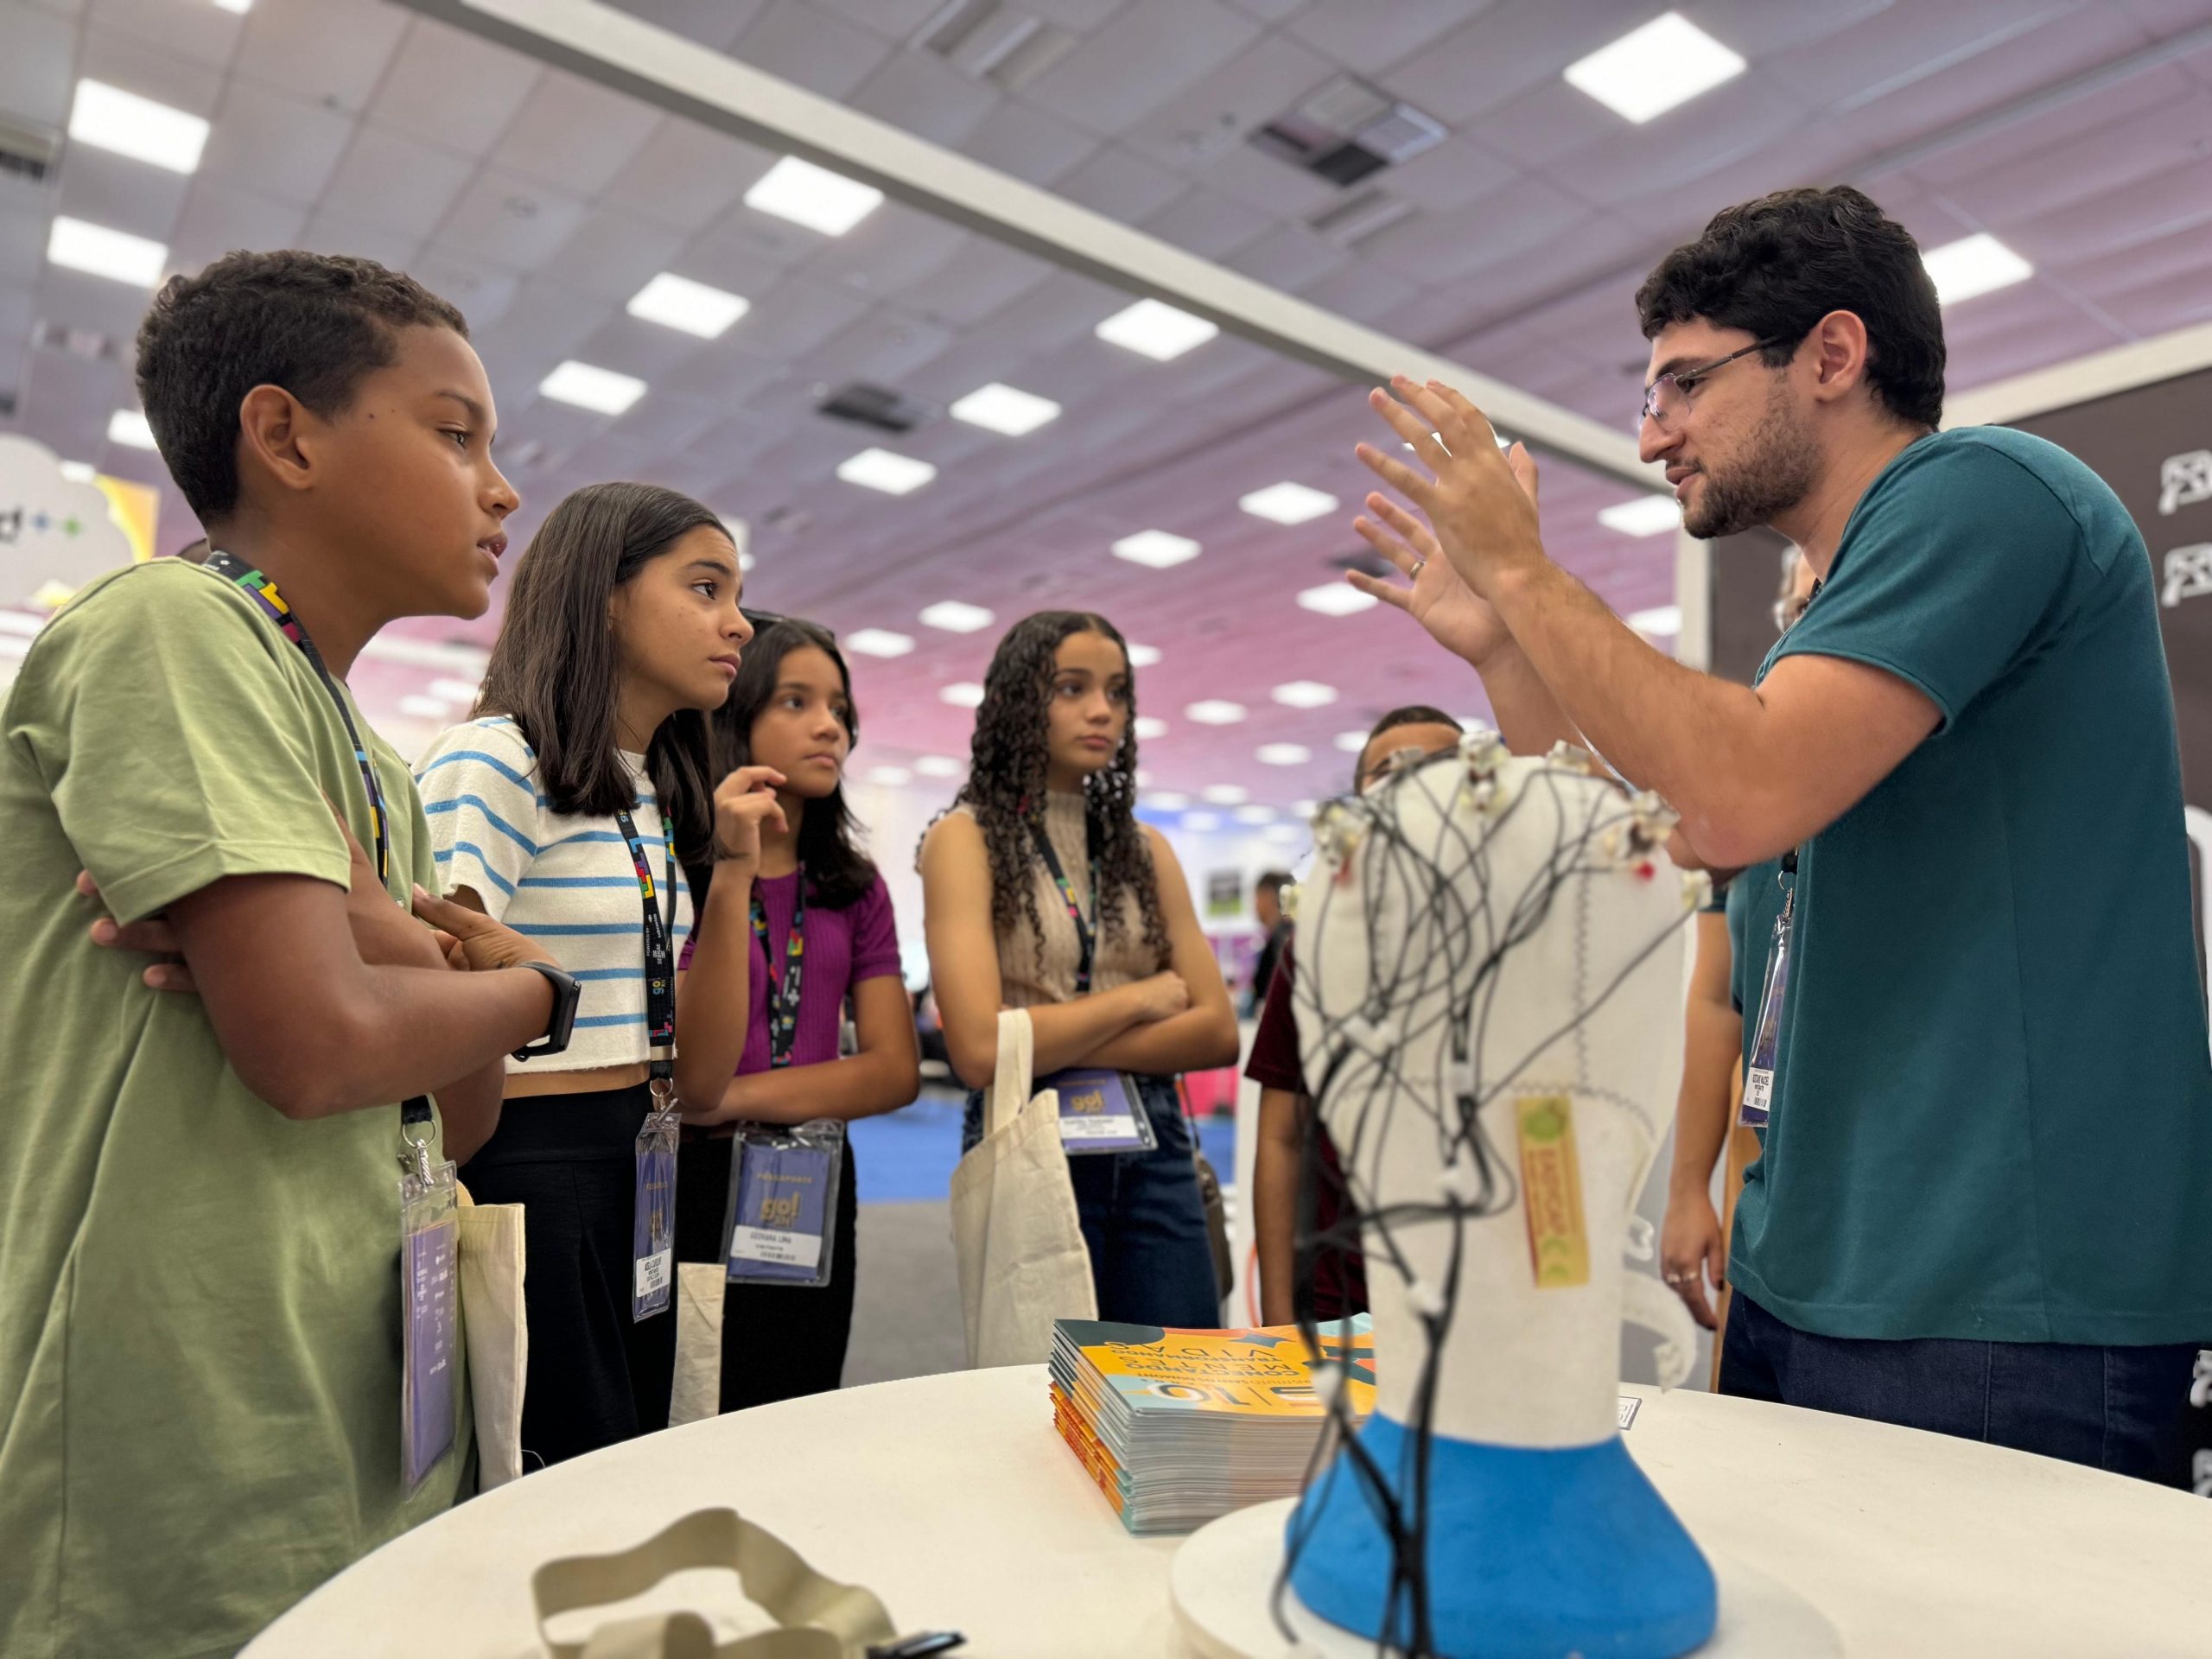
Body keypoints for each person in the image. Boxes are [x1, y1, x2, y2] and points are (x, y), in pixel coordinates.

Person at [1350, 184, 2212, 1481]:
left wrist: (1526, 571)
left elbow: (1732, 797)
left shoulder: (1984, 492)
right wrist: (1503, 649)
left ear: (1831, 355)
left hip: (2001, 1303)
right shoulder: (1817, 632)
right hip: (1813, 1272)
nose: (1657, 439)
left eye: (1684, 386)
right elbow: (1644, 857)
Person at [0, 251, 575, 1658]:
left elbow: (458, 1111)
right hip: (181, 1438)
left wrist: (404, 961)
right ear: (286, 434)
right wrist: (526, 986)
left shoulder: (374, 754)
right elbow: (317, 1048)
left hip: (355, 1398)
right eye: (456, 434)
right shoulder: (169, 630)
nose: (500, 488)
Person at [415, 481, 748, 1467]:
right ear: (602, 594)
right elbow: (436, 971)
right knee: (564, 1471)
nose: (734, 624)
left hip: (638, 1156)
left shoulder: (644, 791)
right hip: (530, 1157)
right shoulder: (495, 762)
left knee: (638, 1454)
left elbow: (696, 1060)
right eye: (703, 587)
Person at [920, 610, 1238, 1327]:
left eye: (1118, 692)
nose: (1103, 710)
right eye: (1072, 688)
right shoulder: (963, 840)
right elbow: (975, 1051)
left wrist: (1039, 1035)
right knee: (1039, 1393)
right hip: (1025, 1131)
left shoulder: (1145, 848)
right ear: (1016, 703)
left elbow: (1217, 1033)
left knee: (1180, 1382)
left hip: (1153, 1140)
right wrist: (1145, 998)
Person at [671, 618, 921, 1410]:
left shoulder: (854, 886)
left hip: (808, 1173)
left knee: (802, 1403)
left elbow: (892, 1070)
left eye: (840, 708)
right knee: (684, 1410)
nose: (830, 727)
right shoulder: (680, 865)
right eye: (796, 701)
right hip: (687, 1180)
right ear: (736, 717)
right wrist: (732, 874)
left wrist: (730, 1099)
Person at [1248, 706, 1464, 1327]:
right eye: (1389, 774)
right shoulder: (1315, 947)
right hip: (1345, 1296)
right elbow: (1281, 1135)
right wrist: (1278, 1316)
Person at [1662, 550, 1816, 1345]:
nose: (1808, 627)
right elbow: (1717, 1004)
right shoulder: (1758, 820)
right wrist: (1690, 1186)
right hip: (1761, 1188)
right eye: (1795, 613)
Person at [1246, 870, 1292, 1015]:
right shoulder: (1283, 935)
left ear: (1267, 895)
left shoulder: (1283, 938)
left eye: (1256, 897)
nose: (1254, 905)